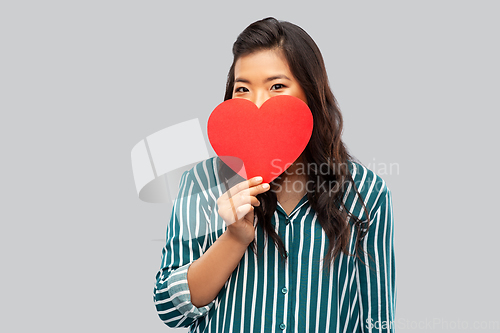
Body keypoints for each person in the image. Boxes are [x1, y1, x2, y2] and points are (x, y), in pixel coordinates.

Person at [153, 17, 396, 332]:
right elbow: (170, 310)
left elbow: (376, 320)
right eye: (243, 88)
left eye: (277, 86)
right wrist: (234, 238)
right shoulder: (201, 183)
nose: (257, 104)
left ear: (310, 91)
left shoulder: (366, 191)